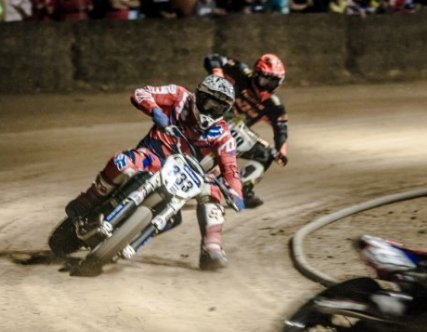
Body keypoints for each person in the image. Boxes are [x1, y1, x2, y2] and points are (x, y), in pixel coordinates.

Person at [64, 75, 245, 271]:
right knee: (122, 162)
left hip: (187, 177)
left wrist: (236, 194)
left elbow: (231, 167)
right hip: (152, 158)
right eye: (208, 103)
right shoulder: (179, 96)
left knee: (213, 192)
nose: (210, 110)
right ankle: (88, 199)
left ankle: (212, 247)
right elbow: (141, 93)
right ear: (199, 95)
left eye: (218, 108)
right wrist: (155, 110)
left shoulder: (224, 135)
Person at [203, 52, 288, 208]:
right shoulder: (241, 71)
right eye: (265, 80)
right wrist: (218, 74)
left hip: (233, 132)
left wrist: (281, 150)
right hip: (212, 116)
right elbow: (213, 58)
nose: (267, 86)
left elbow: (281, 128)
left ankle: (240, 190)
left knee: (266, 154)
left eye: (272, 83)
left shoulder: (274, 105)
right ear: (256, 74)